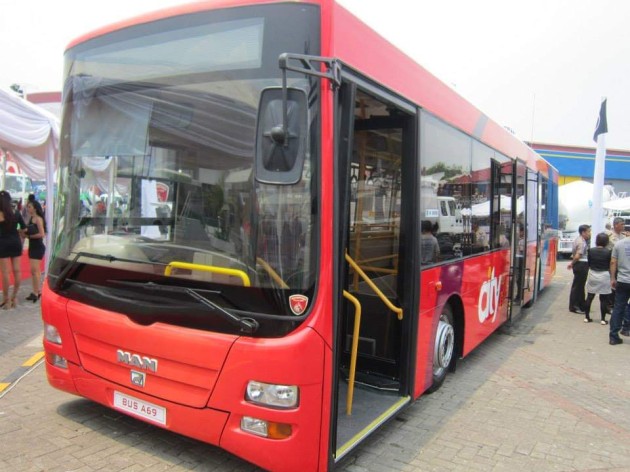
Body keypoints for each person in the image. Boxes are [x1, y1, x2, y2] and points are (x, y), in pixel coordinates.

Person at [0, 191, 25, 309]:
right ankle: (14, 297)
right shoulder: (16, 212)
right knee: (17, 271)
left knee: (5, 272)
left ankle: (6, 300)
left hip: (3, 242)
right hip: (15, 242)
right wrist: (18, 232)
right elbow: (24, 228)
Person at [583, 232, 611, 324]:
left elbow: (589, 263)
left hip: (593, 274)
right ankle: (603, 319)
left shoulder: (590, 250)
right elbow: (610, 264)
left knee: (590, 296)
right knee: (603, 298)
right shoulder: (608, 252)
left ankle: (587, 317)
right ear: (606, 241)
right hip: (604, 275)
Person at [22, 199, 46, 302]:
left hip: (38, 247)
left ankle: (36, 292)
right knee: (34, 271)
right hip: (32, 246)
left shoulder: (38, 219)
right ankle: (37, 290)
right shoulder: (31, 218)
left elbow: (42, 234)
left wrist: (29, 236)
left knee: (35, 271)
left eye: (30, 207)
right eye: (28, 207)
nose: (28, 208)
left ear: (35, 208)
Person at [609, 234, 630, 345]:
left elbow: (613, 262)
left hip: (622, 280)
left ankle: (613, 336)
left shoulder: (619, 244)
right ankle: (626, 328)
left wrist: (612, 278)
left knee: (618, 308)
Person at [567, 224, 591, 314]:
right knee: (578, 286)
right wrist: (572, 263)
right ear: (583, 232)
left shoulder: (580, 239)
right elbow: (578, 255)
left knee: (580, 286)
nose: (589, 233)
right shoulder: (581, 242)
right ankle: (574, 306)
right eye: (588, 231)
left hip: (581, 264)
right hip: (581, 264)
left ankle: (581, 304)